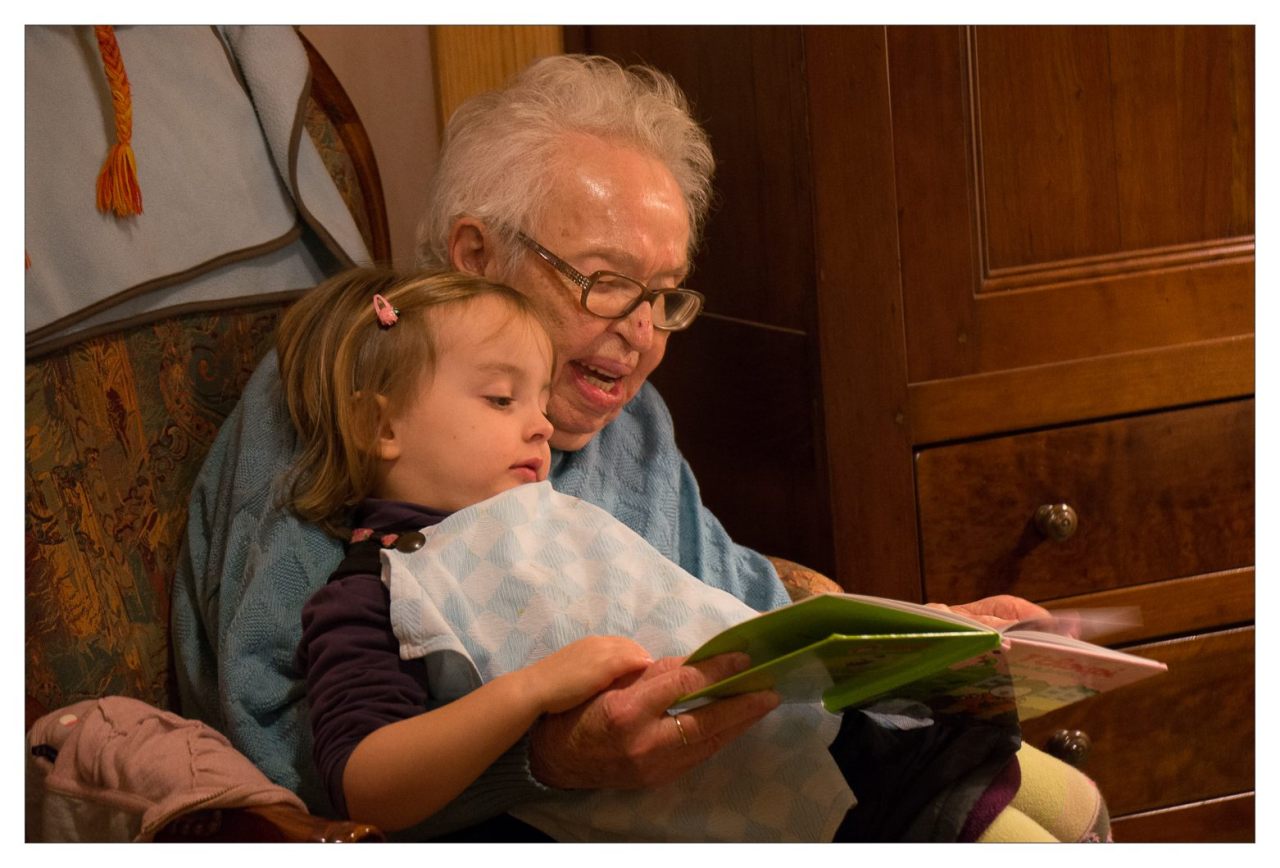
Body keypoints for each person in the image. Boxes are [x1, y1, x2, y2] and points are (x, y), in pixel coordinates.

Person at [172, 54, 1110, 842]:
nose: (644, 333)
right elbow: (284, 761)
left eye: (664, 296)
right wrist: (544, 761)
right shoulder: (343, 397)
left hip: (750, 784)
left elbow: (733, 598)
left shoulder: (628, 419)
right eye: (607, 282)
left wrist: (917, 634)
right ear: (474, 254)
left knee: (1069, 807)